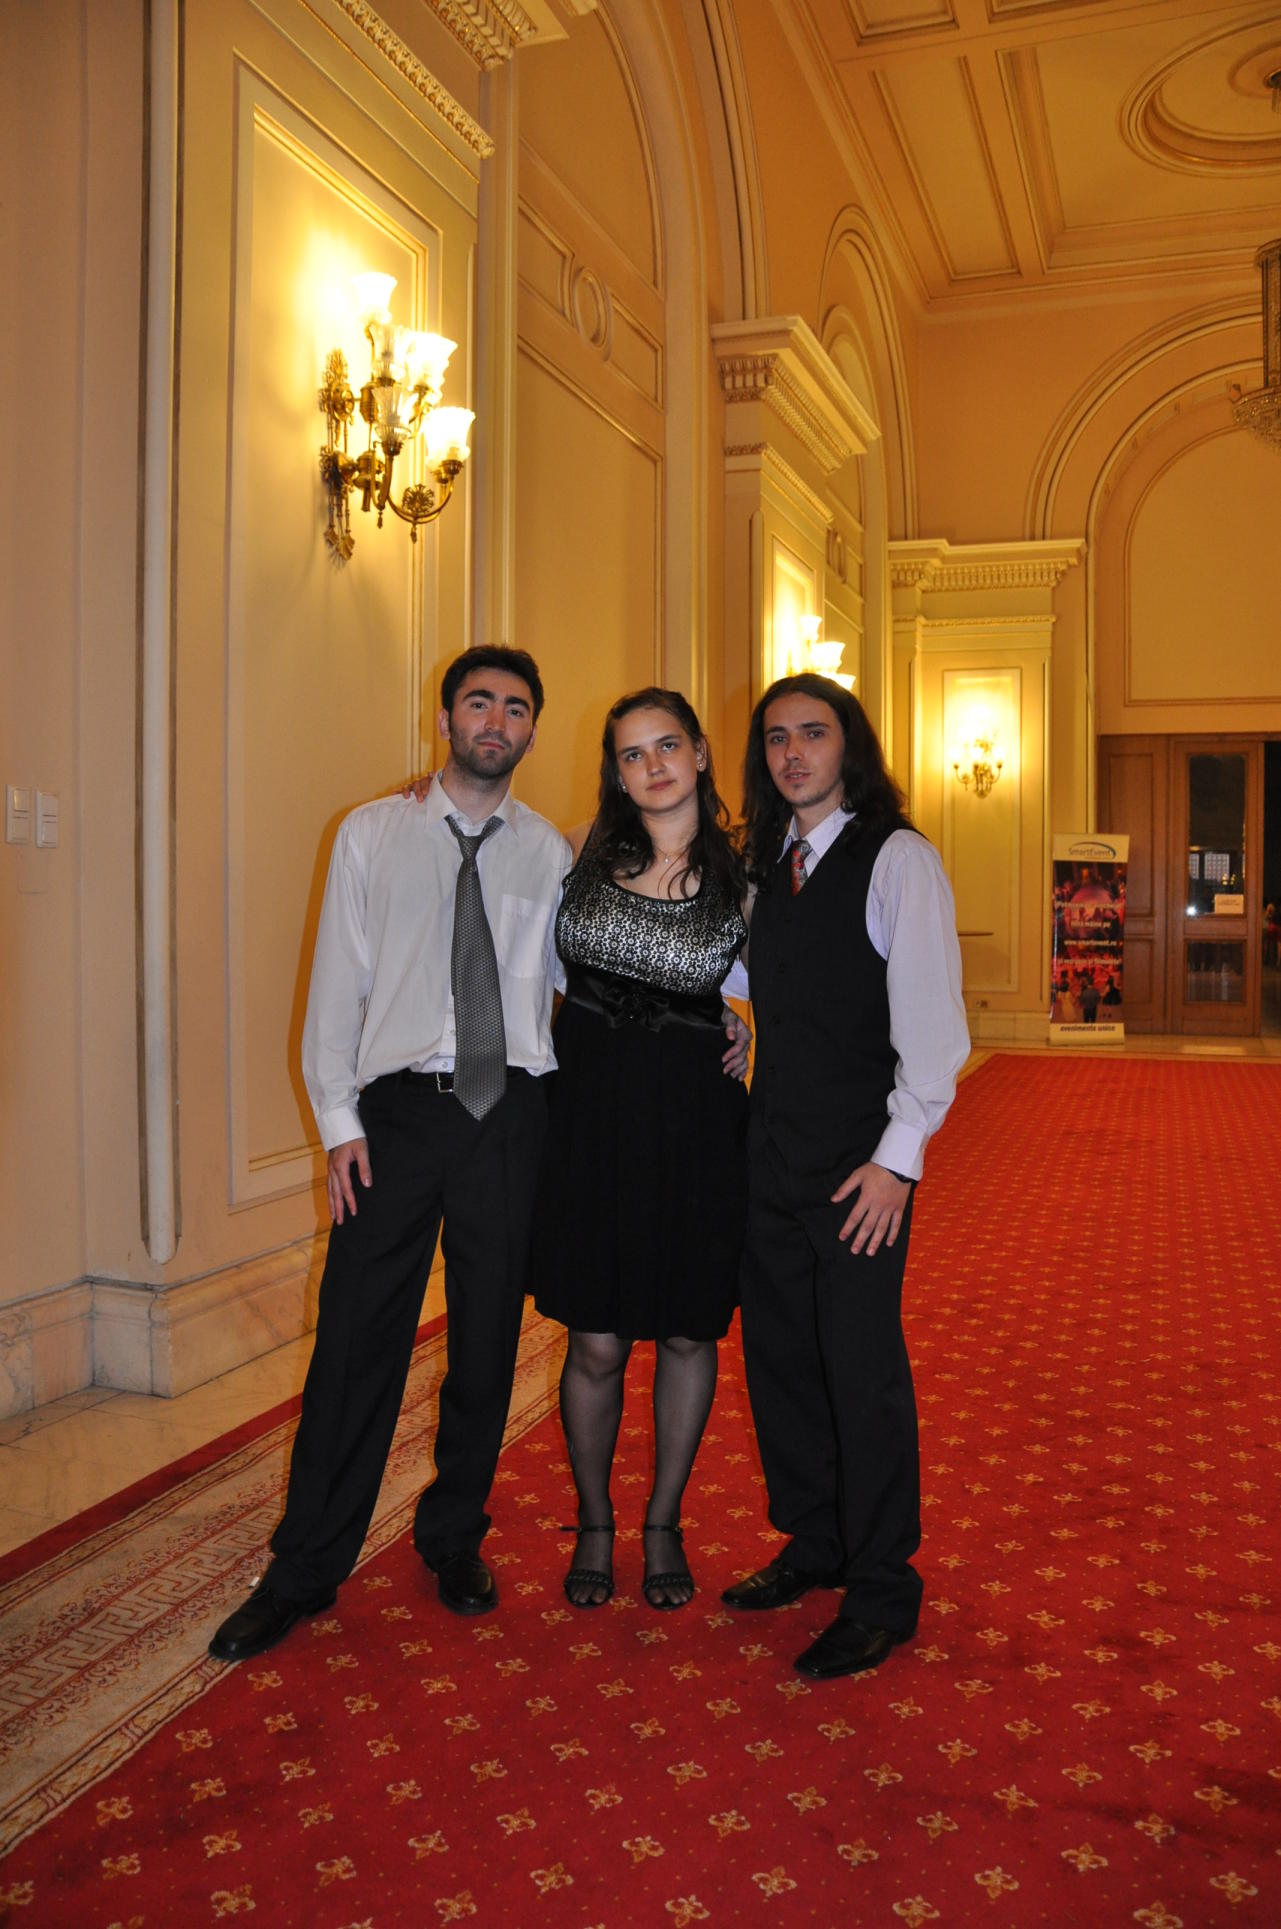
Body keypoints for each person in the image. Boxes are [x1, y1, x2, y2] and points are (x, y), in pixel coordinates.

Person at [209, 646, 571, 1661]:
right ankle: (304, 1565)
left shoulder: (550, 853)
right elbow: (338, 984)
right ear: (445, 718)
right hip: (398, 1117)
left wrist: (723, 1021)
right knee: (356, 1338)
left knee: (488, 1341)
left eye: (515, 708)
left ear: (531, 729)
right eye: (478, 703)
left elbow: (582, 980)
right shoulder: (372, 833)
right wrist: (339, 1125)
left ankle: (454, 1536)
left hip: (510, 1115)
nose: (495, 721)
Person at [720, 673, 969, 1681]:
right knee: (782, 1359)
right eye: (776, 738)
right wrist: (731, 1028)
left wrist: (895, 1165)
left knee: (860, 1374)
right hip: (770, 1154)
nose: (792, 753)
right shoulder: (764, 866)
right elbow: (747, 978)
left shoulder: (898, 859)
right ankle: (816, 1540)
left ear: (847, 747)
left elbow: (934, 1035)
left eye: (812, 733)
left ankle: (881, 1588)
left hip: (860, 1170)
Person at [530, 689, 750, 1611]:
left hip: (694, 1123)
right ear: (615, 772)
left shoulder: (747, 877)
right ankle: (594, 1521)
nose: (652, 765)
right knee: (595, 1336)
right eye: (632, 753)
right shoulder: (572, 848)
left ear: (699, 753)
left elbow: (790, 988)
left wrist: (747, 1023)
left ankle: (663, 1522)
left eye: (667, 745)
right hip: (587, 1117)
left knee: (690, 1328)